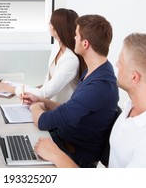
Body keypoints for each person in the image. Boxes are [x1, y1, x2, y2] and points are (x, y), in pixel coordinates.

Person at [34, 33, 146, 168]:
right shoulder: (133, 108)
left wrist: (56, 155)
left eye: (121, 62)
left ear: (134, 77)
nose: (116, 64)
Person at [23, 14, 119, 168]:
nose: (73, 38)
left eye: (76, 35)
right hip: (63, 142)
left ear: (85, 43)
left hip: (73, 157)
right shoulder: (95, 71)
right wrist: (42, 101)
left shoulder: (98, 86)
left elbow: (43, 121)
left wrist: (35, 107)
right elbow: (69, 110)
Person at [0, 8, 86, 104]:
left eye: (50, 23)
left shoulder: (71, 60)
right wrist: (28, 90)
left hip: (60, 109)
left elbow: (44, 93)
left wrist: (10, 89)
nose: (48, 25)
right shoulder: (57, 46)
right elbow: (47, 83)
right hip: (47, 103)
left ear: (57, 29)